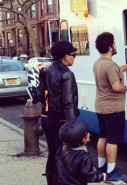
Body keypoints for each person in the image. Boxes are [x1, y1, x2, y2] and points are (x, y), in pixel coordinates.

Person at [93, 32, 127, 181]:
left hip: (101, 107)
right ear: (110, 47)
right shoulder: (110, 65)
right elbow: (116, 86)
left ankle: (101, 167)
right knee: (113, 140)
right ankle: (111, 172)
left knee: (103, 137)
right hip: (113, 109)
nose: (115, 45)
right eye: (114, 43)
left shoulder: (99, 63)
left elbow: (115, 71)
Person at [41, 41, 80, 185]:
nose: (74, 57)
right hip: (60, 121)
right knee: (63, 157)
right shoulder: (67, 74)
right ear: (65, 57)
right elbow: (69, 103)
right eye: (73, 54)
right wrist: (73, 126)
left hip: (46, 117)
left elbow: (41, 95)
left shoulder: (45, 70)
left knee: (52, 154)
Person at [57, 118, 110, 185]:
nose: (89, 134)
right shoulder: (83, 157)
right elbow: (89, 175)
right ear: (83, 140)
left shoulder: (62, 148)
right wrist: (102, 176)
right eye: (87, 133)